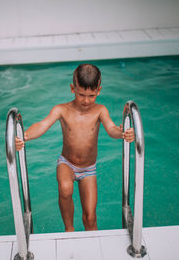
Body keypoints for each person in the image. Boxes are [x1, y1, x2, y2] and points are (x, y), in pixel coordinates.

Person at [15, 63, 134, 231]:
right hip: (67, 163)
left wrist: (122, 133)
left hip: (89, 169)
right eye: (81, 94)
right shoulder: (62, 110)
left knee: (90, 218)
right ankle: (69, 228)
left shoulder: (100, 111)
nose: (86, 100)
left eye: (91, 95)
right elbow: (42, 125)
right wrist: (25, 136)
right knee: (65, 188)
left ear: (99, 90)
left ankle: (93, 245)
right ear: (72, 88)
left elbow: (112, 129)